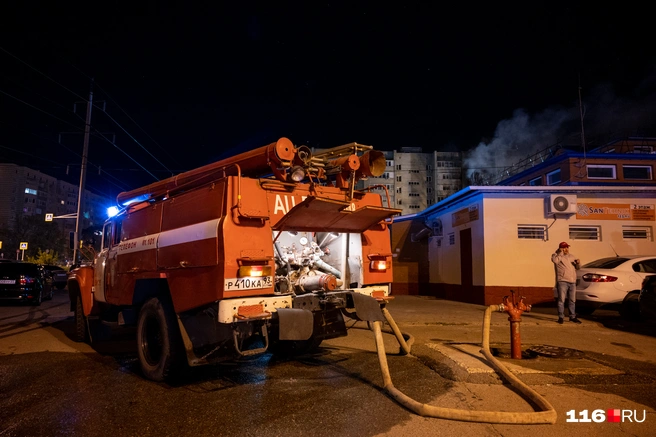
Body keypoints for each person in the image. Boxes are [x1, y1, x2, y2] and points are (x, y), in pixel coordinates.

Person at [551, 241, 582, 324]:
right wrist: (560, 252)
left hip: (572, 281)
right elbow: (555, 261)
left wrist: (578, 263)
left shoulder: (571, 256)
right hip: (562, 281)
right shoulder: (555, 256)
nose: (567, 249)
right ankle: (561, 317)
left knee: (572, 300)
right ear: (561, 248)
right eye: (565, 247)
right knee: (561, 300)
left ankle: (572, 316)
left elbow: (577, 268)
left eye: (567, 247)